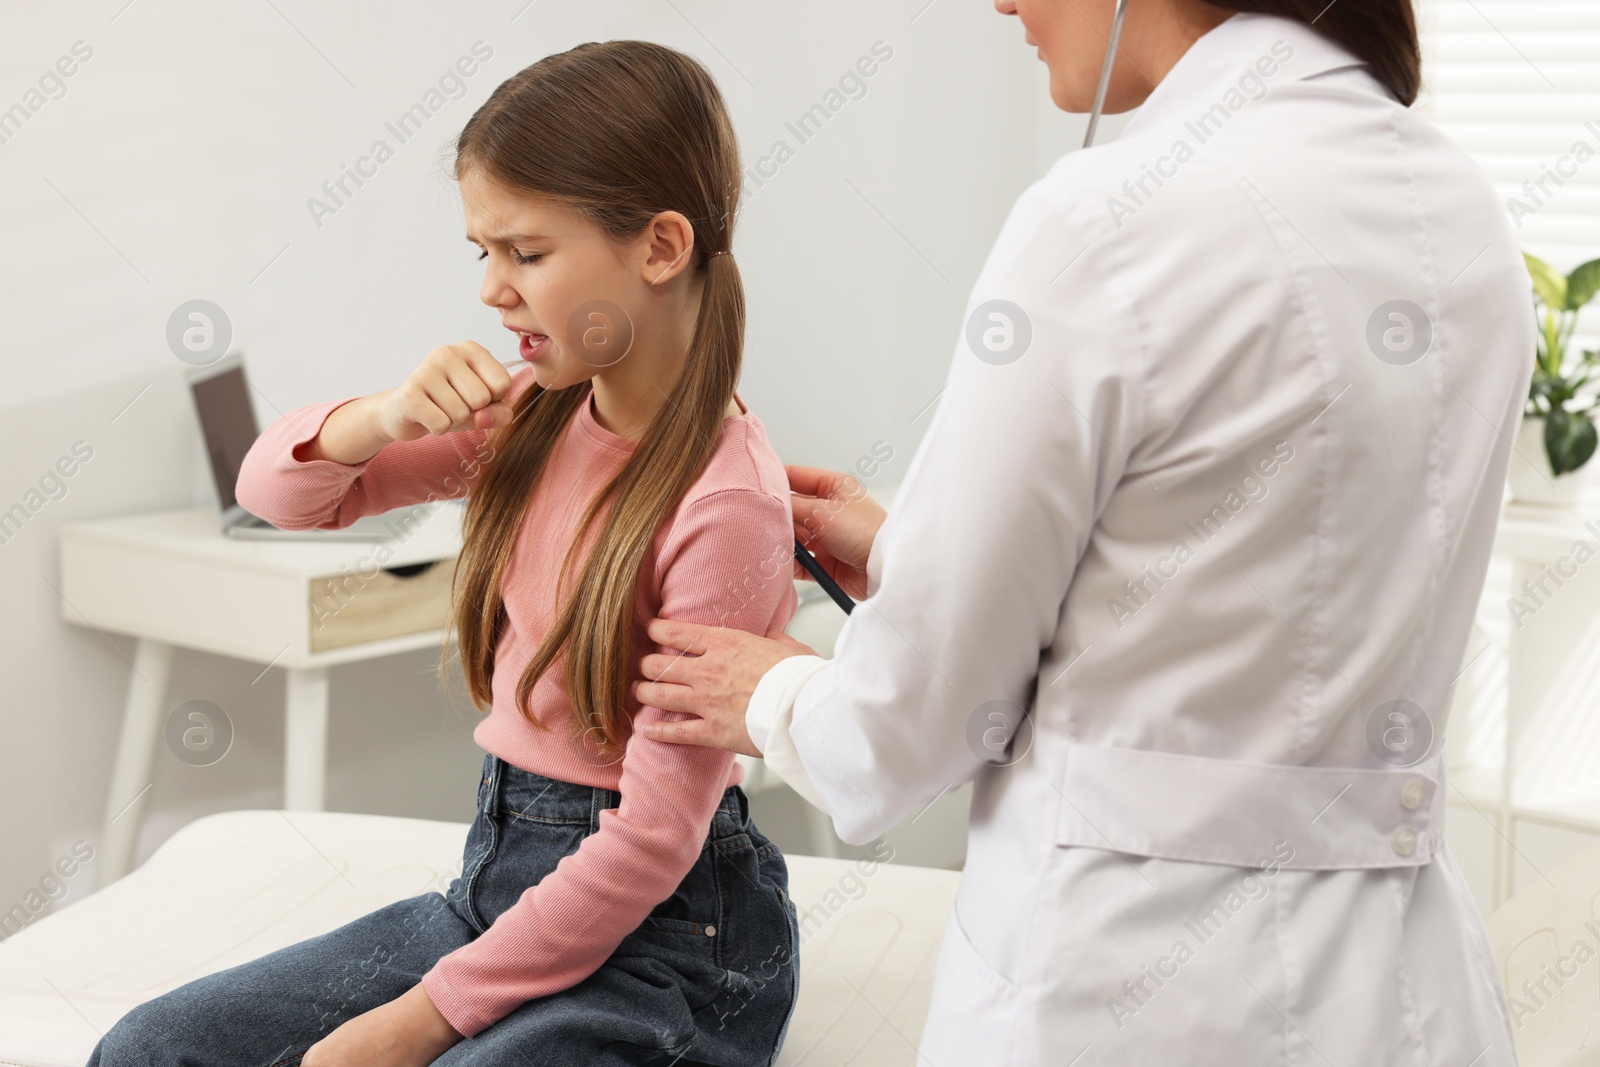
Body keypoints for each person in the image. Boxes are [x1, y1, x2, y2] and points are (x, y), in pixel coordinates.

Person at [634, 2, 1533, 1064]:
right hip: (1402, 993)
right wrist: (904, 550)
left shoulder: (1109, 217)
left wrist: (776, 693)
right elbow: (1268, 575)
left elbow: (911, 724)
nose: (1001, 3)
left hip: (1126, 991)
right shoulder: (1456, 205)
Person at [89, 40, 801, 1067]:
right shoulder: (528, 419)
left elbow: (650, 841)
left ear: (659, 248)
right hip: (494, 899)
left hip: (670, 944)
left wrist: (414, 1020)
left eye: (526, 252)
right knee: (152, 1047)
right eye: (482, 253)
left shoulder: (724, 504)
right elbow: (277, 495)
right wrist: (376, 417)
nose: (492, 291)